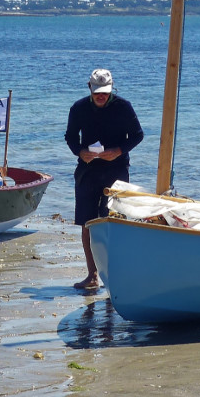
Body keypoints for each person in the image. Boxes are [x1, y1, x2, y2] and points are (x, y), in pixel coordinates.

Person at [64, 68, 144, 290]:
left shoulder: (124, 107)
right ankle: (92, 275)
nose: (101, 96)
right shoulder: (78, 108)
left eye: (105, 92)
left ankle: (114, 276)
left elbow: (138, 135)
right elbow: (70, 137)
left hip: (116, 171)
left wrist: (119, 150)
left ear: (112, 89)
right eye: (97, 92)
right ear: (89, 87)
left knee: (112, 223)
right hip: (88, 171)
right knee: (88, 224)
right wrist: (80, 152)